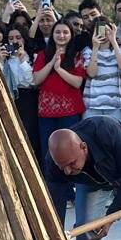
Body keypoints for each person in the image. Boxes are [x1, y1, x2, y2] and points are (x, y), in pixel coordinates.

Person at [31, 18, 86, 167]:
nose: (61, 35)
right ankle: (50, 187)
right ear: (53, 34)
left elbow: (77, 82)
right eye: (58, 32)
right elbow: (36, 80)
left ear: (71, 35)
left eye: (65, 32)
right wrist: (51, 62)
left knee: (71, 151)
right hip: (46, 112)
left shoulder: (76, 55)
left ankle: (71, 185)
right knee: (48, 152)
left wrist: (59, 69)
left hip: (70, 111)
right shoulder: (43, 55)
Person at [82, 18, 121, 119]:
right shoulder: (88, 51)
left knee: (113, 135)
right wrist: (95, 47)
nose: (103, 34)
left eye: (107, 30)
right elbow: (91, 73)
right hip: (92, 104)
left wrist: (114, 40)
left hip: (114, 105)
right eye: (99, 30)